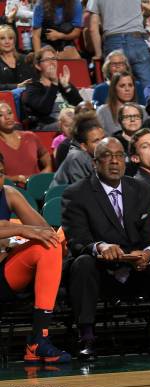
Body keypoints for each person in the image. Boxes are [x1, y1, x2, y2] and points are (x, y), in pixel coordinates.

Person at [62, 137, 150, 361]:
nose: (114, 162)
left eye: (119, 156)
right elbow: (77, 240)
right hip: (101, 271)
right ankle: (86, 338)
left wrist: (148, 253)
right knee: (82, 263)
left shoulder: (142, 189)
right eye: (107, 156)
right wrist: (100, 247)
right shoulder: (76, 194)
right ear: (94, 163)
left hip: (137, 269)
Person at [0, 153, 71, 363]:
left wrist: (54, 235)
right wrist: (22, 230)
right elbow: (25, 229)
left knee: (49, 245)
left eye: (1, 173)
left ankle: (39, 340)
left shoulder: (9, 194)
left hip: (4, 275)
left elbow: (43, 230)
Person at [87, 0, 150, 87]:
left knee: (117, 87)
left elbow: (93, 28)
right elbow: (147, 9)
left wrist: (98, 53)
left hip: (113, 42)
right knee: (149, 87)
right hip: (137, 40)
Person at [21, 45, 82, 129]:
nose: (52, 62)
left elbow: (79, 104)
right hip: (48, 125)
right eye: (47, 60)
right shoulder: (33, 88)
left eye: (53, 59)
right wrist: (54, 84)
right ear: (38, 66)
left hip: (72, 121)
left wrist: (66, 86)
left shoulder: (62, 83)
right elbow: (44, 109)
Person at [0, 102, 52, 186]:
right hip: (11, 191)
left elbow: (44, 154)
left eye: (9, 113)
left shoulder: (30, 136)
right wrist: (16, 179)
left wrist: (48, 168)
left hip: (38, 187)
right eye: (1, 115)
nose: (7, 117)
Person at [50, 111, 104, 188]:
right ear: (83, 146)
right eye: (96, 141)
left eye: (103, 138)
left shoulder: (100, 153)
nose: (102, 144)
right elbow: (82, 191)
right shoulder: (76, 157)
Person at [97, 72, 147, 136]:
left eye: (130, 85)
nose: (127, 89)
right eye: (122, 86)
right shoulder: (102, 111)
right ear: (114, 89)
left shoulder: (143, 110)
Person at [0, 24, 35, 91]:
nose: (7, 42)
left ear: (14, 41)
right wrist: (17, 86)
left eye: (10, 38)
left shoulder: (25, 59)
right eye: (2, 38)